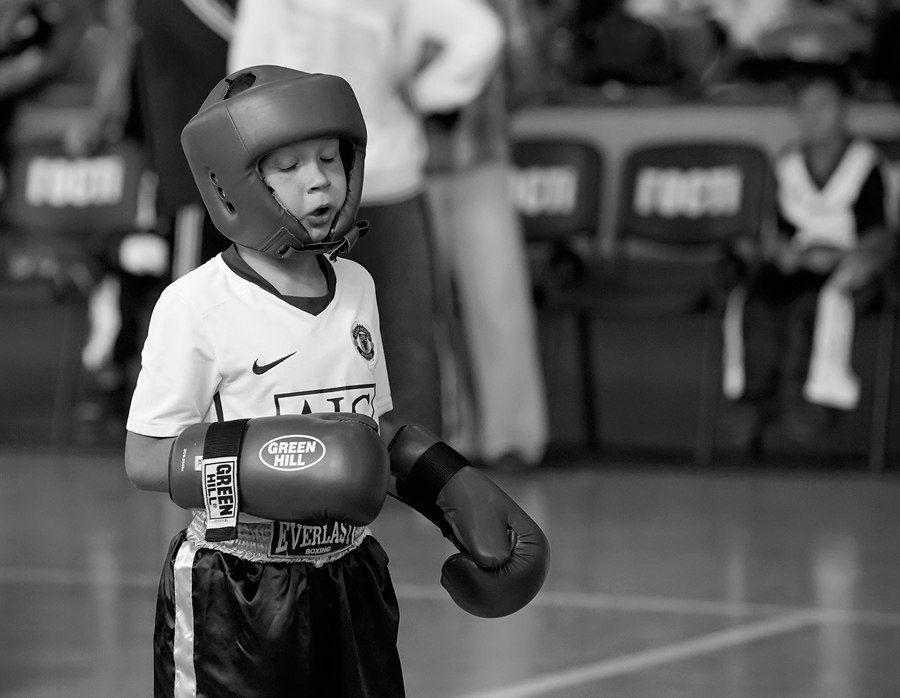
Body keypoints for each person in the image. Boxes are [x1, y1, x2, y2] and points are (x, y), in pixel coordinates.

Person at [123, 65, 549, 696]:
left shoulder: (356, 286)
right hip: (238, 584)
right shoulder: (196, 305)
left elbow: (369, 433)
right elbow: (144, 456)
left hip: (350, 572)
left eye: (329, 157)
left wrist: (450, 487)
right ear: (234, 183)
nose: (319, 179)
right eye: (289, 166)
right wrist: (268, 460)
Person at [227, 0, 505, 443]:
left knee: (297, 331)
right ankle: (415, 465)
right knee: (404, 337)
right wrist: (429, 94)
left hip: (306, 186)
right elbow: (481, 33)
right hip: (383, 172)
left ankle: (306, 456)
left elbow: (242, 83)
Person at [720, 59, 895, 449]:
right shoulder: (788, 163)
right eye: (804, 107)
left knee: (811, 307)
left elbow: (878, 235)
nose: (814, 115)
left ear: (843, 107)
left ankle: (815, 401)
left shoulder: (865, 164)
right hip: (796, 264)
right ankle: (752, 401)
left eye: (823, 105)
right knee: (755, 300)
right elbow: (777, 229)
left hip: (847, 267)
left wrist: (838, 257)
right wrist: (781, 251)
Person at [425, 0, 550, 471]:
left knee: (498, 302)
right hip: (401, 167)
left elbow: (530, 76)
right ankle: (443, 437)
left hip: (479, 160)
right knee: (421, 309)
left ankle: (512, 438)